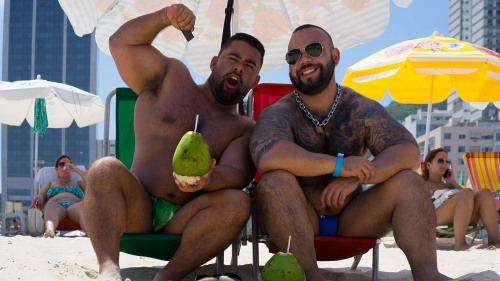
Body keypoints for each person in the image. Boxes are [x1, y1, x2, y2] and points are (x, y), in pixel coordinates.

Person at [249, 24, 451, 281]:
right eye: (294, 56)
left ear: (335, 56)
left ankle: (427, 274)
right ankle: (312, 276)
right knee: (274, 180)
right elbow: (269, 156)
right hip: (298, 217)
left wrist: (359, 176)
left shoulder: (358, 108)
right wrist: (339, 166)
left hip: (355, 217)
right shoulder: (279, 112)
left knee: (410, 182)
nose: (304, 60)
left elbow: (409, 151)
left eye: (313, 49)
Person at [84, 4, 264, 281]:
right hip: (137, 205)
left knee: (239, 202)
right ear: (215, 62)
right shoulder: (172, 76)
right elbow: (120, 43)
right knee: (102, 168)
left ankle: (167, 277)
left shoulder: (243, 128)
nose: (239, 67)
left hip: (188, 218)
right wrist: (164, 18)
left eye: (249, 65)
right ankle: (109, 270)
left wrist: (207, 179)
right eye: (233, 59)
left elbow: (237, 174)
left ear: (256, 80)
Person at [423, 148, 500, 251]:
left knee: (485, 193)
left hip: (462, 218)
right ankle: (460, 244)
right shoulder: (422, 183)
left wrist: (453, 182)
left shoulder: (450, 185)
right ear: (428, 165)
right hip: (434, 219)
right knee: (467, 191)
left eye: (447, 161)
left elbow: (468, 196)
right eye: (440, 161)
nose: (444, 164)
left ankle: (495, 242)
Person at [34, 155, 87, 238]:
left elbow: (92, 182)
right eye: (62, 164)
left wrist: (75, 169)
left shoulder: (79, 183)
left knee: (82, 206)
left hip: (75, 207)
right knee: (51, 205)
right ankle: (50, 230)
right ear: (56, 169)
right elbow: (40, 196)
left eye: (68, 164)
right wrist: (39, 198)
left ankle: (91, 232)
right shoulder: (49, 184)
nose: (65, 166)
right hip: (56, 207)